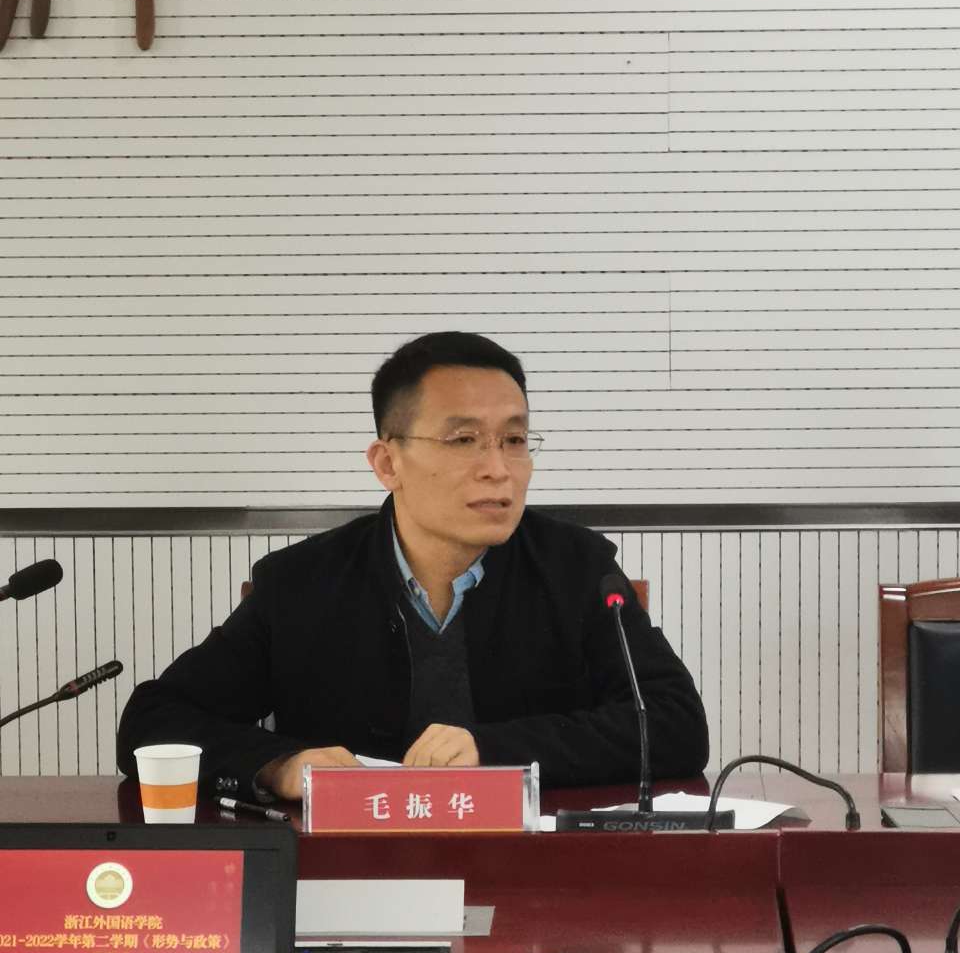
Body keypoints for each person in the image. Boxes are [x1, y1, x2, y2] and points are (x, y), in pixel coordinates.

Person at [117, 332, 708, 801]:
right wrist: (278, 765)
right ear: (387, 463)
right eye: (464, 440)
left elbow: (675, 723)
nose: (498, 468)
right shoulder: (303, 584)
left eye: (514, 440)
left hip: (532, 872)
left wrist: (492, 751)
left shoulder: (577, 570)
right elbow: (153, 721)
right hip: (350, 875)